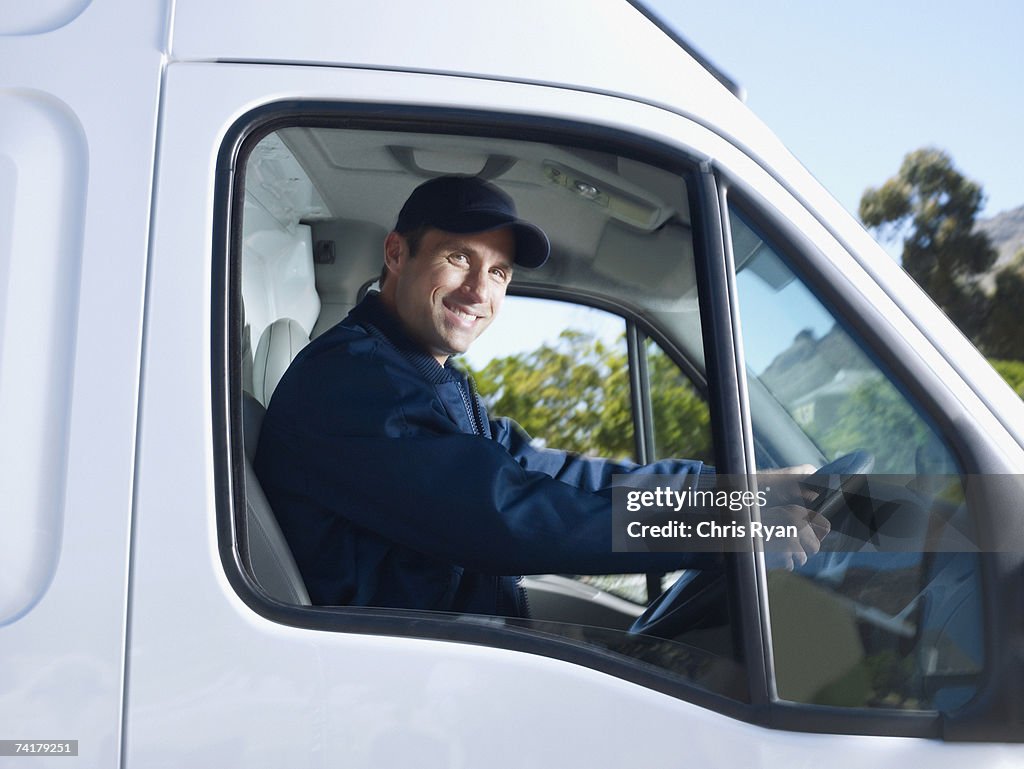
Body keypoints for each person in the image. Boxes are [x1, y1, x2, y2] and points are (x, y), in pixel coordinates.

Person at [254, 175, 822, 618]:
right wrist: (722, 526)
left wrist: (726, 494)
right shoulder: (355, 382)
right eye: (458, 259)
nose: (480, 291)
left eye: (499, 273)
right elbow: (510, 519)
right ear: (397, 254)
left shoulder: (421, 377)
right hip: (396, 684)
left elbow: (549, 476)